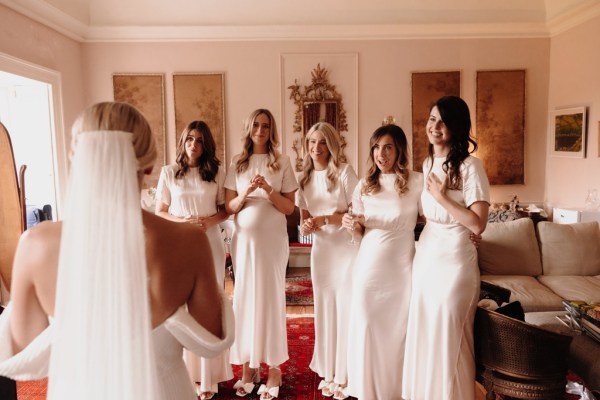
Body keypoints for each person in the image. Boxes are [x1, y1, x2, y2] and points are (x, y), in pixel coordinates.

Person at [0, 102, 234, 400]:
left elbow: (22, 357)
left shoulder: (36, 244)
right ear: (149, 166)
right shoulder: (189, 242)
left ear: (77, 158)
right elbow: (211, 340)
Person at [402, 96, 490, 400]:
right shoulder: (426, 164)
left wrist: (442, 198)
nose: (435, 127)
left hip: (456, 260)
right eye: (431, 119)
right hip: (427, 255)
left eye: (443, 121)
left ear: (457, 127)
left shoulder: (471, 167)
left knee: (452, 334)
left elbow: (478, 224)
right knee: (427, 330)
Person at [341, 124, 422, 400]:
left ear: (400, 149)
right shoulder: (364, 185)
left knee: (398, 327)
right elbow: (360, 232)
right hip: (369, 263)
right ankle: (367, 390)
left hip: (401, 266)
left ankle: (396, 390)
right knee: (367, 322)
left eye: (387, 146)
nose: (380, 153)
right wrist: (350, 223)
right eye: (376, 147)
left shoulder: (417, 182)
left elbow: (435, 218)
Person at [155, 120, 232, 400]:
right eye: (189, 139)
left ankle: (210, 378)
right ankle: (185, 373)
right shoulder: (168, 172)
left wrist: (208, 221)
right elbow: (160, 211)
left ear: (206, 144)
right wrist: (182, 221)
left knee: (208, 304)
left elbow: (226, 210)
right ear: (183, 141)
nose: (193, 145)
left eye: (199, 140)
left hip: (208, 242)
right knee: (182, 306)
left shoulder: (217, 172)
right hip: (177, 243)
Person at [224, 109, 298, 399]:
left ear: (272, 130)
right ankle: (248, 367)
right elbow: (230, 206)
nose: (261, 129)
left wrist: (267, 189)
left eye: (266, 125)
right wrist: (246, 193)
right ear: (249, 128)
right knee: (244, 297)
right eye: (256, 124)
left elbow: (290, 208)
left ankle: (275, 366)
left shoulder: (282, 162)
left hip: (271, 241)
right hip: (244, 241)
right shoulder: (237, 163)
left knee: (269, 296)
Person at [296, 122, 359, 399]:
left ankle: (345, 373)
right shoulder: (303, 179)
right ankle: (329, 369)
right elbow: (303, 221)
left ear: (331, 145)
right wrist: (307, 227)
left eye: (322, 142)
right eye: (312, 142)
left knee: (345, 306)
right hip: (321, 250)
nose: (316, 148)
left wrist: (322, 219)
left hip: (344, 248)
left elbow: (355, 213)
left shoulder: (345, 173)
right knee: (325, 307)